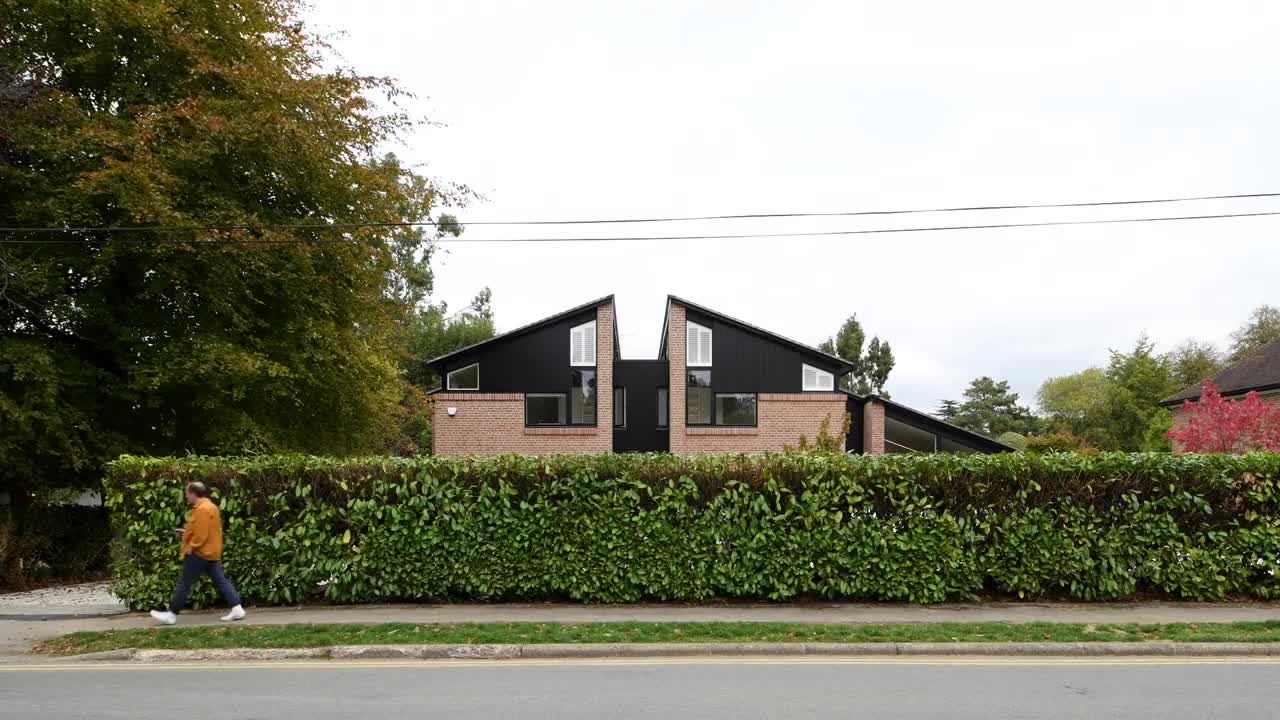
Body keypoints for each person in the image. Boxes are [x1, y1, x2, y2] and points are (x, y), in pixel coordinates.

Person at [150, 481, 246, 625]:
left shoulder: (201, 509)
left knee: (185, 583)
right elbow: (207, 530)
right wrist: (187, 532)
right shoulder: (211, 507)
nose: (186, 496)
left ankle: (172, 614)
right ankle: (237, 608)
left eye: (187, 493)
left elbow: (201, 535)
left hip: (199, 552)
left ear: (194, 494)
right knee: (220, 580)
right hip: (211, 552)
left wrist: (191, 546)